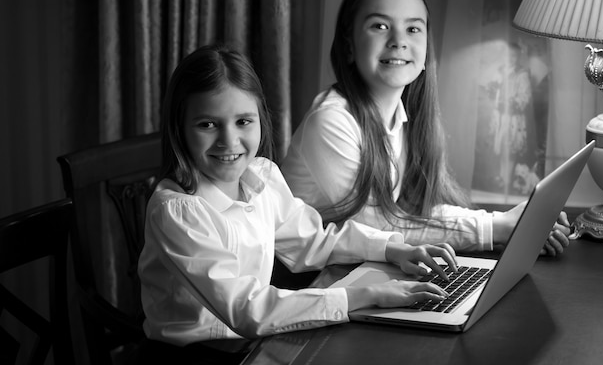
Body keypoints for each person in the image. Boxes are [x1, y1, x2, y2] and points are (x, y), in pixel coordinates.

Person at [137, 44, 459, 364]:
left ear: (261, 119)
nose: (229, 141)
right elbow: (245, 309)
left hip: (253, 341)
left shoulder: (261, 177)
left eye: (243, 122)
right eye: (207, 124)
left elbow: (312, 241)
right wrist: (366, 296)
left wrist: (392, 249)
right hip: (195, 354)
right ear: (179, 128)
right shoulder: (177, 210)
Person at [281, 0, 570, 256]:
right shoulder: (331, 121)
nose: (398, 40)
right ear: (349, 47)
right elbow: (379, 228)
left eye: (413, 29)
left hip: (360, 270)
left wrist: (510, 221)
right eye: (380, 26)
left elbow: (411, 213)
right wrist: (499, 227)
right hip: (308, 285)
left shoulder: (404, 117)